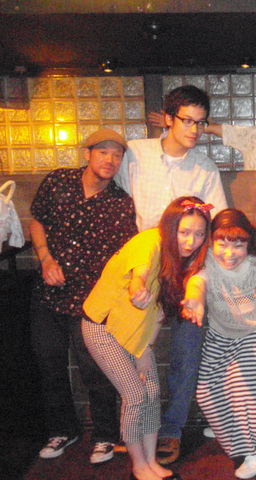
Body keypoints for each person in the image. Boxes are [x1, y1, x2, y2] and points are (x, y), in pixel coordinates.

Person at [116, 84, 228, 464]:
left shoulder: (205, 167)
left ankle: (172, 429)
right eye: (187, 121)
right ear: (167, 119)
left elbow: (214, 223)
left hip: (186, 269)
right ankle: (137, 428)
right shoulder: (136, 153)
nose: (195, 130)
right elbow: (116, 198)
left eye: (201, 122)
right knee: (134, 349)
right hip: (145, 265)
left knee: (186, 350)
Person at [82, 196, 212, 480]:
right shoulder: (150, 241)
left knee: (152, 393)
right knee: (135, 395)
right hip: (103, 327)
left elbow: (159, 313)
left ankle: (151, 462)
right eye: (184, 232)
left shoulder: (183, 260)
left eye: (199, 234)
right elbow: (140, 271)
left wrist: (146, 349)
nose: (191, 241)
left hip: (138, 334)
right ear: (171, 226)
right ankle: (139, 466)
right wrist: (138, 286)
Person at [30, 128, 137, 463]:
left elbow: (125, 256)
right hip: (49, 292)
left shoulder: (121, 203)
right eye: (103, 152)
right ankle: (62, 429)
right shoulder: (58, 182)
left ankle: (105, 435)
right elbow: (37, 220)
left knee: (95, 368)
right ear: (88, 153)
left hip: (91, 301)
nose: (110, 160)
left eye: (117, 155)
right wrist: (45, 258)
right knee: (49, 363)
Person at [181, 209, 256, 479]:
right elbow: (197, 281)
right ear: (212, 241)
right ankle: (231, 427)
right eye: (222, 244)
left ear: (249, 242)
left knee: (247, 388)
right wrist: (194, 299)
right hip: (223, 329)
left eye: (238, 245)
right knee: (206, 390)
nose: (229, 253)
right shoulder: (206, 258)